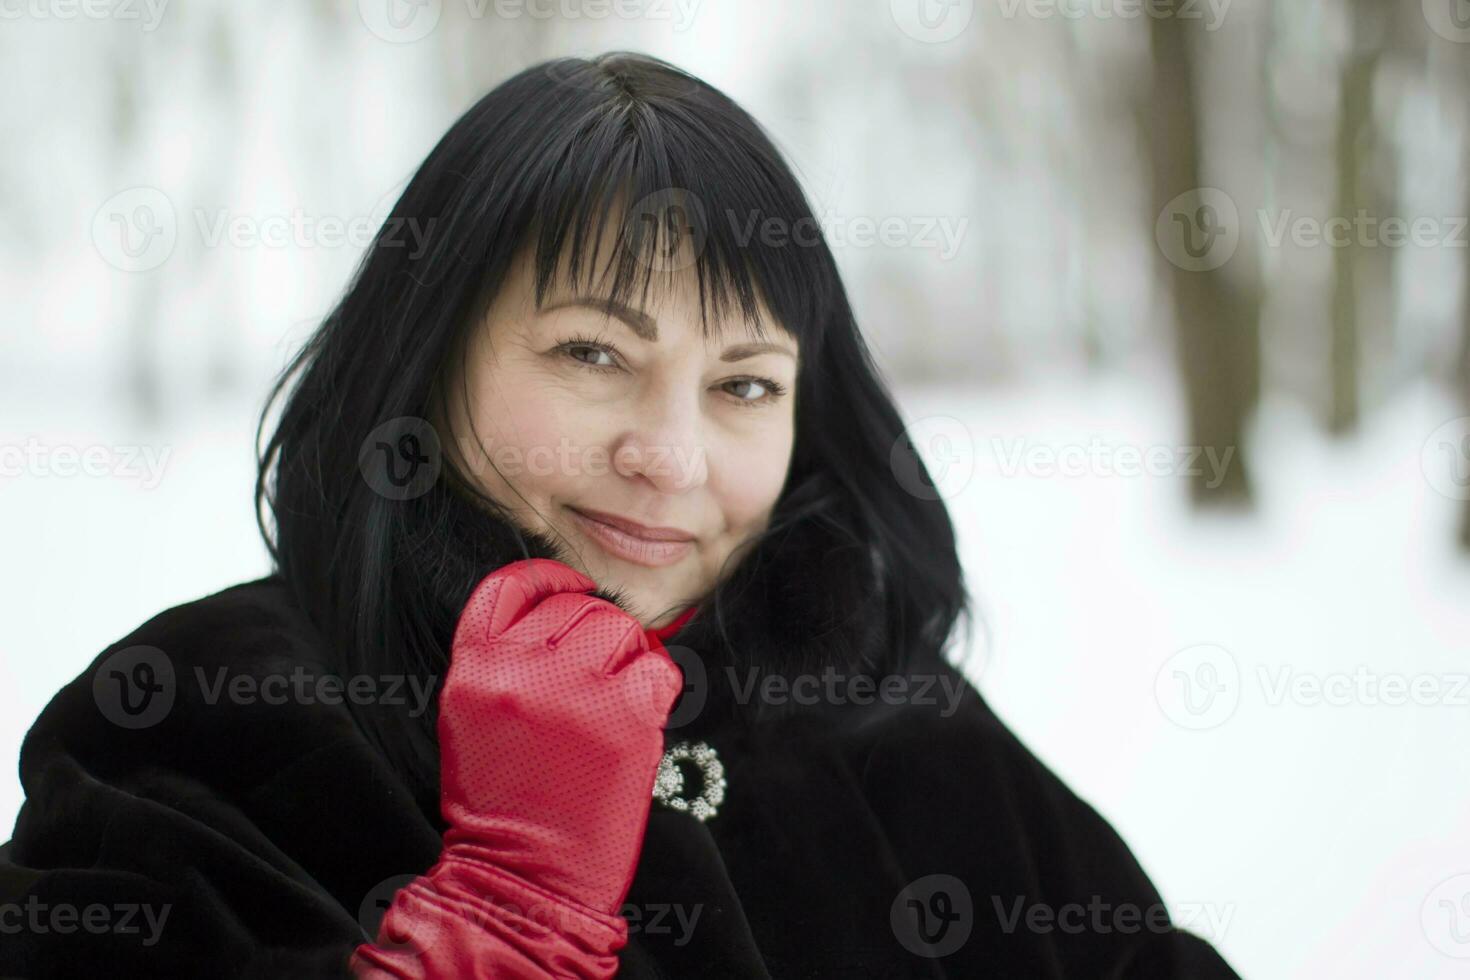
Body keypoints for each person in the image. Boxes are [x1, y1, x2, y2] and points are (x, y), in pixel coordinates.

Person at [0, 53, 1241, 978]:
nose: (671, 454)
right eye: (593, 352)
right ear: (429, 358)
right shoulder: (205, 718)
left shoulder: (889, 716)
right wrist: (505, 913)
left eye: (744, 382)